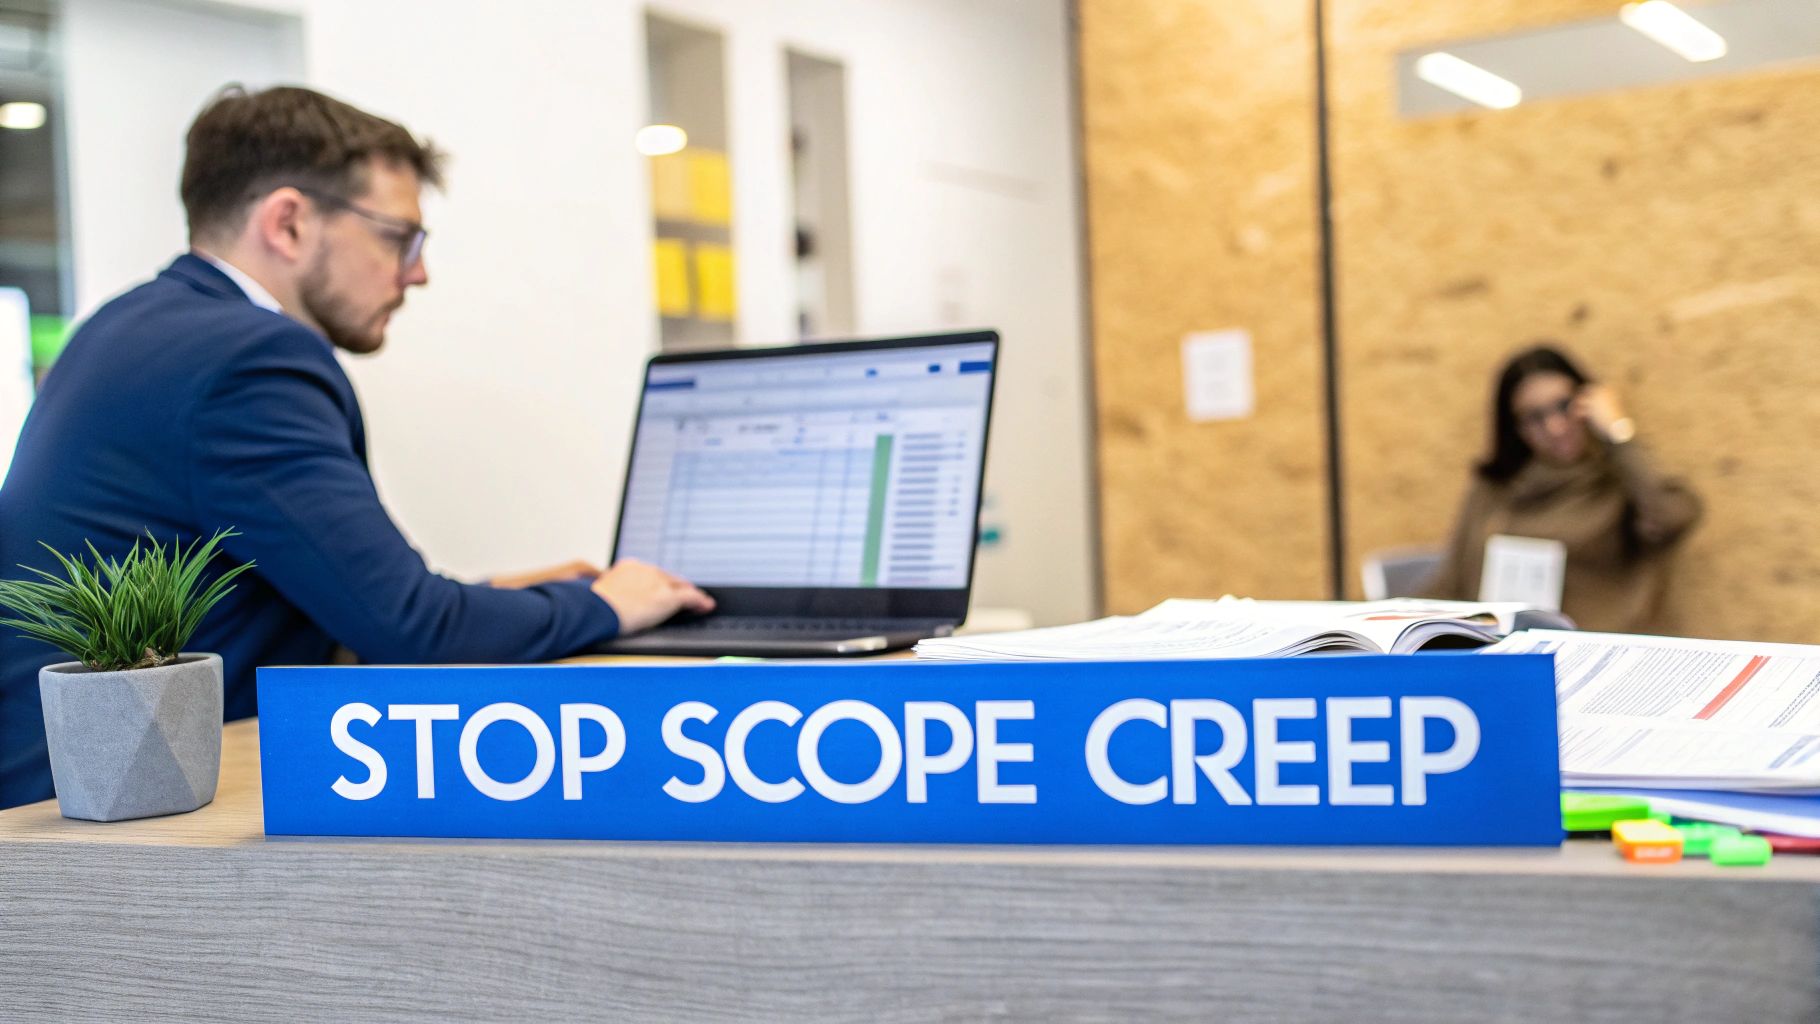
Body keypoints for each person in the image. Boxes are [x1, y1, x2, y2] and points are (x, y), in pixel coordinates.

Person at [0, 86, 713, 810]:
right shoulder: (250, 358)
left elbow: (348, 600)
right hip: (114, 821)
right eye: (398, 237)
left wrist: (508, 597)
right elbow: (413, 632)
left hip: (68, 794)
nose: (417, 272)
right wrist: (605, 604)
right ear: (288, 223)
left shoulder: (126, 326)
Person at [1423, 344, 1702, 632]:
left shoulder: (1617, 483)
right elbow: (1451, 580)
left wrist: (1618, 432)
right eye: (1534, 417)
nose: (1555, 427)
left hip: (1590, 647)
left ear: (1588, 402)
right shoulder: (1495, 486)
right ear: (1516, 428)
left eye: (1564, 406)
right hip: (1492, 647)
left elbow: (1672, 516)